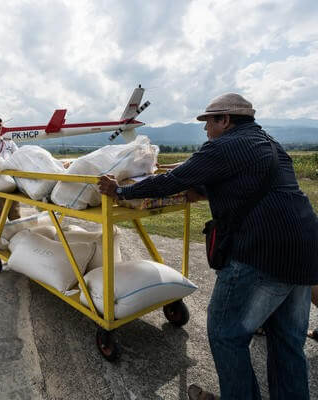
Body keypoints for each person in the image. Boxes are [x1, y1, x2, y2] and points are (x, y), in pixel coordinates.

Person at [98, 93, 318, 400]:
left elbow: (173, 180)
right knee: (287, 341)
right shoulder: (269, 144)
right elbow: (220, 181)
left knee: (226, 333)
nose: (205, 131)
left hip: (262, 253)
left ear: (224, 120)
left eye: (208, 123)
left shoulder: (224, 146)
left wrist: (120, 190)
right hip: (307, 251)